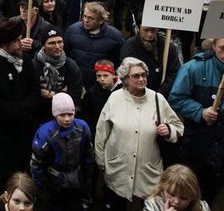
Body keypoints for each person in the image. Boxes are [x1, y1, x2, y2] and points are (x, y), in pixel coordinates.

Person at [169, 37, 224, 205]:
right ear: (214, 45)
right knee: (187, 193)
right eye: (223, 47)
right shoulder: (194, 68)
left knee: (211, 193)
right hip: (196, 145)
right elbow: (176, 98)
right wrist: (200, 112)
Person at [95, 57, 184, 210]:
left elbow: (178, 127)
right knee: (116, 203)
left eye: (144, 74)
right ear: (125, 79)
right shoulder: (115, 98)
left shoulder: (158, 99)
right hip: (119, 167)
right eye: (136, 76)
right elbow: (101, 130)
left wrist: (169, 130)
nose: (142, 79)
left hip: (148, 169)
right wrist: (100, 158)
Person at [0, 18, 40, 210]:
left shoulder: (25, 60)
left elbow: (35, 93)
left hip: (22, 140)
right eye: (17, 40)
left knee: (18, 188)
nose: (22, 43)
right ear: (5, 44)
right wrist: (24, 109)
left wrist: (22, 108)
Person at [30, 93, 94, 210]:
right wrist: (40, 188)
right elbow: (37, 164)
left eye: (70, 114)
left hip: (76, 179)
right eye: (62, 115)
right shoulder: (45, 133)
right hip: (53, 182)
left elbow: (88, 154)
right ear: (55, 114)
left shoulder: (82, 128)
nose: (67, 119)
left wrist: (88, 176)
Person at [64, 2, 124, 89]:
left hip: (101, 86)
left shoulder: (115, 37)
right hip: (75, 82)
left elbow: (119, 63)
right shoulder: (72, 31)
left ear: (101, 20)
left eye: (91, 18)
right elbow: (65, 55)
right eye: (84, 16)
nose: (86, 20)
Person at [32, 29, 82, 123]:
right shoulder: (34, 65)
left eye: (60, 42)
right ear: (43, 45)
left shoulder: (71, 66)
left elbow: (74, 97)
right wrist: (62, 94)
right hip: (38, 118)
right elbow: (31, 95)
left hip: (63, 119)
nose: (57, 46)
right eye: (52, 43)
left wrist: (51, 94)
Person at [119, 24, 181, 97]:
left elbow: (174, 72)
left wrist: (161, 93)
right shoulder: (129, 47)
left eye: (153, 30)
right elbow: (126, 74)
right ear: (138, 28)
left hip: (163, 95)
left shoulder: (167, 46)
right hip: (137, 94)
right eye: (146, 30)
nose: (149, 34)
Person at [80, 59, 121, 136]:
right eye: (99, 76)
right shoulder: (92, 93)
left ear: (113, 74)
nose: (102, 79)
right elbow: (87, 116)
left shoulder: (124, 90)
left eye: (105, 75)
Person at [143, 164, 210, 211]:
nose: (176, 202)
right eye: (172, 194)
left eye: (183, 198)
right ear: (163, 187)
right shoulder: (153, 205)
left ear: (193, 196)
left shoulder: (203, 208)